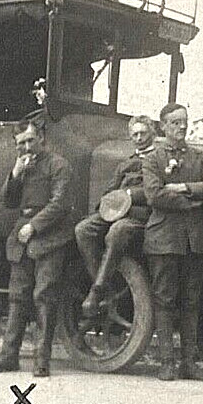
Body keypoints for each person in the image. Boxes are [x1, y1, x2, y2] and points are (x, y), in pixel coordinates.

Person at [0, 120, 74, 377]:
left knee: (44, 297)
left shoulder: (58, 165)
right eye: (21, 144)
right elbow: (9, 202)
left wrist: (34, 226)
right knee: (17, 296)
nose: (26, 147)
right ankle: (8, 356)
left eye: (30, 141)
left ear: (41, 139)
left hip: (50, 236)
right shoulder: (21, 167)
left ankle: (41, 360)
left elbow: (60, 203)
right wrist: (14, 174)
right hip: (23, 237)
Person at [142, 103, 203, 381]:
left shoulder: (200, 157)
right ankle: (166, 362)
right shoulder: (152, 159)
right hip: (163, 238)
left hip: (194, 240)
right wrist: (193, 203)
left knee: (192, 301)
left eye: (184, 122)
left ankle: (189, 363)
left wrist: (184, 188)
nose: (181, 127)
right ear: (163, 126)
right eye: (175, 122)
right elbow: (153, 195)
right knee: (164, 299)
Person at [75, 115, 156, 315]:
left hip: (140, 214)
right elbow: (110, 190)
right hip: (117, 210)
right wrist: (103, 206)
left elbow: (157, 191)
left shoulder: (159, 160)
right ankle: (102, 282)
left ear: (152, 134)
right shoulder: (125, 164)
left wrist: (129, 195)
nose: (139, 138)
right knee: (83, 229)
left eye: (143, 133)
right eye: (135, 134)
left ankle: (97, 290)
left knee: (117, 231)